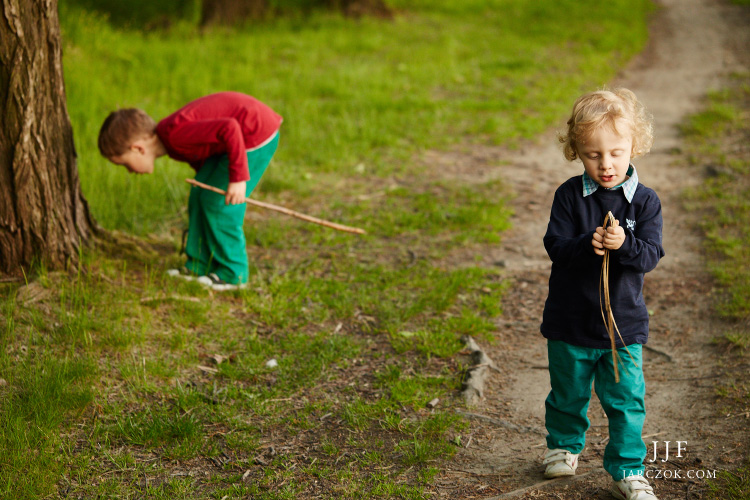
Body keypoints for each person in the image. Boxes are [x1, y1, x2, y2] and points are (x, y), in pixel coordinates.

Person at [540, 88, 664, 500]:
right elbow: (555, 245)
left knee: (626, 400)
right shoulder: (568, 196)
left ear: (635, 146)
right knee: (567, 393)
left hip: (622, 328)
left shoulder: (645, 203)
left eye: (616, 152)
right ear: (577, 150)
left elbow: (650, 255)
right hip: (570, 322)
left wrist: (622, 245)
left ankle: (628, 469)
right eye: (593, 155)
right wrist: (586, 244)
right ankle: (563, 446)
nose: (606, 164)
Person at [98, 91, 282, 291]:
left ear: (138, 149)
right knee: (198, 195)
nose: (130, 171)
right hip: (234, 140)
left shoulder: (175, 136)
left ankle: (233, 273)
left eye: (126, 165)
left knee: (218, 203)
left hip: (254, 133)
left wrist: (238, 178)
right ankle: (199, 265)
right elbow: (205, 149)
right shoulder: (171, 141)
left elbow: (230, 128)